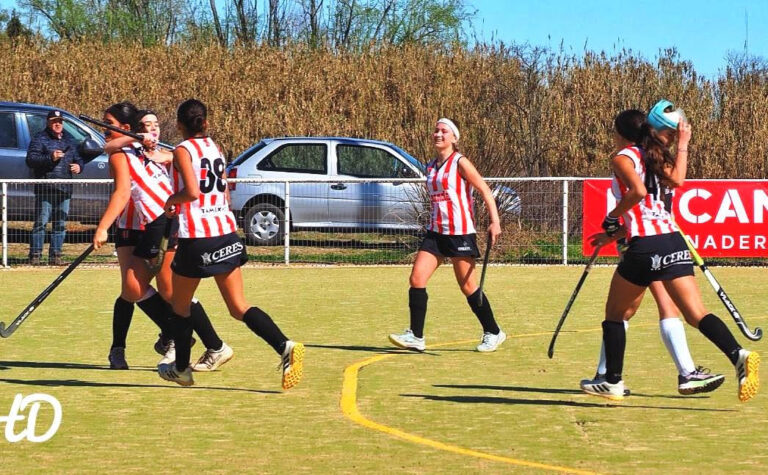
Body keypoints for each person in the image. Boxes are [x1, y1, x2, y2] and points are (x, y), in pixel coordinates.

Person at [580, 103, 759, 402]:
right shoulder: (656, 156)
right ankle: (738, 353)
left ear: (621, 134)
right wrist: (684, 144)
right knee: (696, 313)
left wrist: (612, 217)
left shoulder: (624, 157)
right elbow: (674, 183)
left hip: (644, 247)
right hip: (672, 241)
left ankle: (611, 380)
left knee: (615, 314)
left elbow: (637, 193)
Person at [158, 98, 304, 389]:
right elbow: (220, 192)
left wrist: (170, 202)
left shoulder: (184, 150)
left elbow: (191, 191)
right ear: (206, 123)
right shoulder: (215, 148)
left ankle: (182, 369)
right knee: (238, 306)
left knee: (180, 305)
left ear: (178, 125)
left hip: (198, 237)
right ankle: (285, 346)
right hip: (225, 233)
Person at [93, 103, 232, 373]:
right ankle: (165, 339)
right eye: (147, 125)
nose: (153, 129)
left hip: (161, 223)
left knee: (169, 290)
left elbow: (174, 161)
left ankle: (209, 344)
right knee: (131, 289)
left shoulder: (156, 152)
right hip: (130, 227)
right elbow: (107, 150)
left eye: (107, 122)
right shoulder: (121, 151)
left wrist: (101, 226)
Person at [388, 118, 505, 352]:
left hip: (459, 233)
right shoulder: (431, 166)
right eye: (436, 131)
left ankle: (493, 331)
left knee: (468, 286)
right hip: (436, 232)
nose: (438, 134)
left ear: (454, 138)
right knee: (417, 279)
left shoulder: (460, 162)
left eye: (444, 131)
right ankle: (416, 336)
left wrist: (495, 221)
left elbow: (484, 189)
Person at [26, 109, 85, 266]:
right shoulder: (39, 138)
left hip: (65, 187)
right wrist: (50, 158)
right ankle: (35, 255)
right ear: (48, 122)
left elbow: (79, 158)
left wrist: (79, 166)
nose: (57, 124)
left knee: (60, 223)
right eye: (54, 121)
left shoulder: (70, 139)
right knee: (41, 222)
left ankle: (56, 255)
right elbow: (31, 160)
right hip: (46, 186)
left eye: (60, 121)